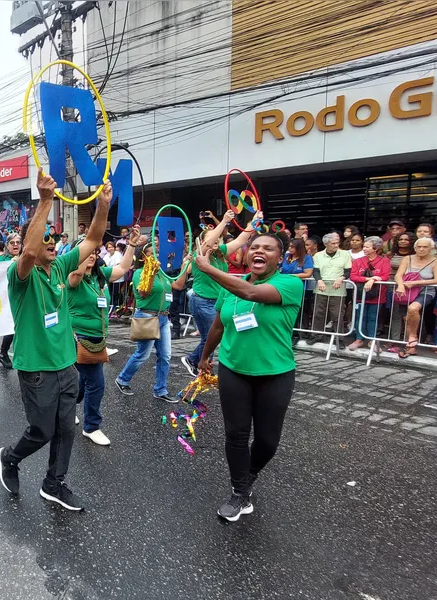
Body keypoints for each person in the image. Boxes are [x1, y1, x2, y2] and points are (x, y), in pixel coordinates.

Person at [0, 172, 111, 514]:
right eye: (43, 236)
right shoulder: (21, 276)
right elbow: (29, 251)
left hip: (67, 365)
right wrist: (46, 201)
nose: (49, 241)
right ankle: (10, 457)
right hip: (36, 370)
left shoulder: (61, 267)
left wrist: (103, 206)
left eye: (52, 237)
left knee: (65, 430)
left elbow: (93, 239)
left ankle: (54, 483)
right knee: (42, 430)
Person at [193, 234, 304, 522]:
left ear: (280, 258)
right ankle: (240, 491)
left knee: (267, 441)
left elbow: (252, 294)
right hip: (233, 370)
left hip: (276, 372)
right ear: (246, 254)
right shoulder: (230, 286)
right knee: (237, 434)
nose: (259, 251)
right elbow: (218, 326)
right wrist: (204, 357)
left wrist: (208, 268)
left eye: (268, 248)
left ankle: (249, 474)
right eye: (254, 247)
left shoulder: (290, 284)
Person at [69, 227, 141, 445]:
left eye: (93, 251)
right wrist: (84, 248)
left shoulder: (100, 277)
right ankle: (91, 427)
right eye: (85, 251)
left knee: (83, 380)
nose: (91, 254)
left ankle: (66, 406)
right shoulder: (73, 277)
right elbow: (78, 273)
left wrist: (131, 245)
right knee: (96, 383)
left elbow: (123, 267)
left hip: (98, 339)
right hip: (77, 337)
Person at [180, 210, 259, 376]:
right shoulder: (198, 254)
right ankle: (197, 363)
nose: (215, 240)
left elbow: (241, 239)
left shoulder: (220, 252)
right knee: (210, 338)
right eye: (211, 237)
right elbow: (208, 243)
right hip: (202, 301)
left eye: (217, 237)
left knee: (213, 337)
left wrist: (254, 221)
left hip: (217, 302)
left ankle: (198, 364)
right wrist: (223, 221)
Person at [114, 243, 176, 400]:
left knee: (166, 356)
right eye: (152, 253)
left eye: (157, 252)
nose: (156, 256)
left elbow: (178, 285)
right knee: (143, 354)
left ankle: (160, 390)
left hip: (163, 317)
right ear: (143, 257)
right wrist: (152, 272)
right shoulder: (139, 273)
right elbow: (143, 293)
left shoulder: (162, 273)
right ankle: (122, 379)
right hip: (147, 317)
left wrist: (187, 264)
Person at [392, 237, 437, 358]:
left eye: (425, 247)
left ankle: (413, 336)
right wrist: (400, 285)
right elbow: (398, 275)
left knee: (413, 309)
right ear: (415, 248)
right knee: (407, 318)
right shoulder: (407, 258)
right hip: (407, 291)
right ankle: (411, 347)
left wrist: (416, 283)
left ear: (431, 248)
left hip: (426, 291)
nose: (421, 249)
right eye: (419, 246)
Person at [308, 232, 353, 347]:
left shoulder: (344, 254)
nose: (336, 245)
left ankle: (339, 339)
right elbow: (316, 271)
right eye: (333, 243)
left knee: (337, 315)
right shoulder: (318, 255)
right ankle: (317, 336)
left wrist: (341, 278)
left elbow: (348, 271)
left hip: (337, 289)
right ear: (326, 244)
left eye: (337, 243)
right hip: (321, 288)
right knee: (318, 313)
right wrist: (319, 280)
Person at [347, 237, 391, 351]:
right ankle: (358, 339)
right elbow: (353, 276)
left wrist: (373, 280)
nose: (364, 249)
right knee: (359, 317)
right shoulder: (358, 261)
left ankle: (372, 340)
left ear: (375, 248)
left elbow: (385, 276)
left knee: (373, 317)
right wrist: (369, 278)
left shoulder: (384, 261)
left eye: (367, 247)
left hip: (377, 294)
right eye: (364, 246)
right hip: (360, 294)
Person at [0, 233, 22, 369]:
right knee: (11, 326)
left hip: (23, 297)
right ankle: (3, 353)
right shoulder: (2, 259)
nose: (16, 245)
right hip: (7, 297)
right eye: (12, 243)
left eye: (18, 242)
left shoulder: (25, 257)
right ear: (7, 245)